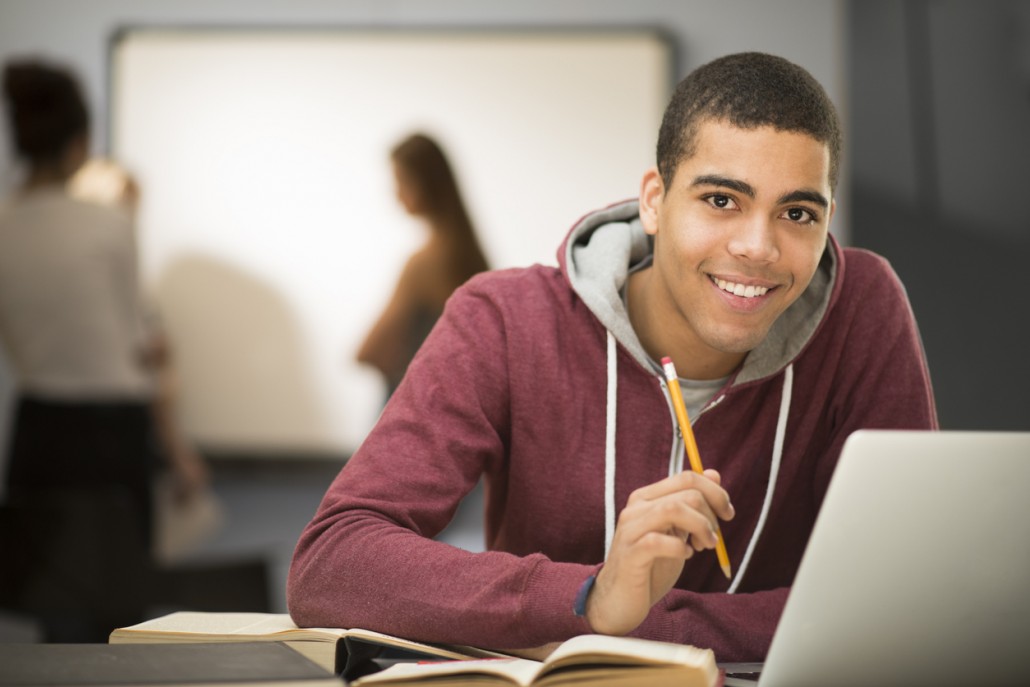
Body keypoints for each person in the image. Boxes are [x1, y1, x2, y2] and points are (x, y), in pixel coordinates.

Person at [288, 53, 937, 662]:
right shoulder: (505, 318)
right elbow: (332, 562)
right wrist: (591, 596)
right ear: (654, 200)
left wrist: (630, 623)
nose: (758, 246)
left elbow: (902, 602)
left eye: (797, 212)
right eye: (720, 200)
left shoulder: (863, 308)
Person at [0, 59, 206, 639]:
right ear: (81, 140)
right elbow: (144, 351)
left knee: (51, 610)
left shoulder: (3, 225)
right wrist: (178, 450)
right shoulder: (108, 225)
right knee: (119, 620)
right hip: (112, 436)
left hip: (38, 432)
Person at [356, 133, 489, 395]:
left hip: (412, 401)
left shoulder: (425, 262)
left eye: (401, 182)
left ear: (426, 184)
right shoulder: (473, 258)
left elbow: (369, 351)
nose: (395, 194)